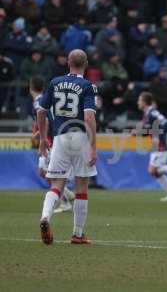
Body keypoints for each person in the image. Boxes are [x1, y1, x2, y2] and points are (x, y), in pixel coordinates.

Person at [37, 49, 97, 245]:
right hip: (80, 137)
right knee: (81, 187)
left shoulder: (54, 82)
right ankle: (77, 234)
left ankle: (45, 216)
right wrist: (93, 146)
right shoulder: (87, 85)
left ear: (68, 63)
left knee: (56, 185)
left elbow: (41, 111)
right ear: (85, 64)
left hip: (60, 137)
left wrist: (42, 138)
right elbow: (88, 117)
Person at [30, 76, 75, 214]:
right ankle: (67, 193)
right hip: (53, 139)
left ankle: (65, 201)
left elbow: (46, 121)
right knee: (46, 173)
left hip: (49, 140)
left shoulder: (38, 102)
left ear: (30, 87)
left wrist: (39, 137)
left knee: (49, 173)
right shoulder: (45, 98)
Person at [135, 92, 167, 202]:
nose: (138, 102)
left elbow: (166, 125)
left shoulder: (152, 113)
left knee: (154, 170)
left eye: (140, 100)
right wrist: (139, 132)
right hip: (158, 146)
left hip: (162, 145)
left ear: (144, 102)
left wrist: (158, 137)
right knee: (155, 172)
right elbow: (150, 129)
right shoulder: (148, 113)